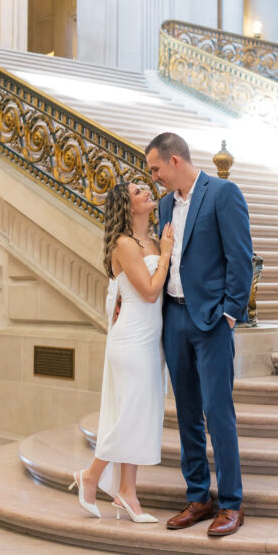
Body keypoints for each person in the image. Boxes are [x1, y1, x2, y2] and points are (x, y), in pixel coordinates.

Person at [145, 132, 253, 539]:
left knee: (217, 411)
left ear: (175, 161)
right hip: (173, 318)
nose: (152, 176)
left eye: (155, 168)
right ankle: (197, 497)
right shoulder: (164, 205)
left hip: (211, 322)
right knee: (187, 412)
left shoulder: (223, 194)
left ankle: (230, 503)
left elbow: (240, 258)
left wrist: (229, 313)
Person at [70, 181, 174, 523]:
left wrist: (164, 249)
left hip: (150, 338)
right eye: (138, 191)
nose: (147, 191)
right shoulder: (124, 244)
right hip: (130, 338)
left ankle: (127, 492)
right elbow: (148, 292)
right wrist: (168, 255)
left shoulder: (155, 241)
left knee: (140, 412)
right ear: (127, 206)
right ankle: (91, 475)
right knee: (131, 413)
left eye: (146, 187)